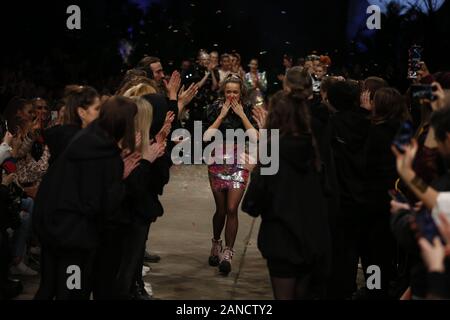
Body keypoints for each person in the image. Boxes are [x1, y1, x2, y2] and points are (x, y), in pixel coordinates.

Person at [33, 96, 138, 300]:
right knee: (73, 291)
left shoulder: (85, 138)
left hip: (51, 226)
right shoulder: (106, 156)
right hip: (73, 237)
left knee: (48, 288)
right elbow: (101, 205)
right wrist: (119, 180)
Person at [242, 91, 331, 299]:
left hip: (282, 239)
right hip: (313, 237)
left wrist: (256, 169)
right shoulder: (313, 146)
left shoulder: (273, 151)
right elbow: (325, 189)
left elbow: (253, 205)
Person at [203, 74, 258, 275]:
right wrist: (222, 115)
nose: (232, 95)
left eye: (235, 92)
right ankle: (216, 243)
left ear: (241, 93)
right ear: (223, 92)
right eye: (228, 92)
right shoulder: (214, 108)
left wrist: (242, 115)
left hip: (240, 161)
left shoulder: (248, 109)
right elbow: (206, 136)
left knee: (232, 207)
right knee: (221, 210)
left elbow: (255, 137)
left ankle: (228, 251)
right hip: (217, 161)